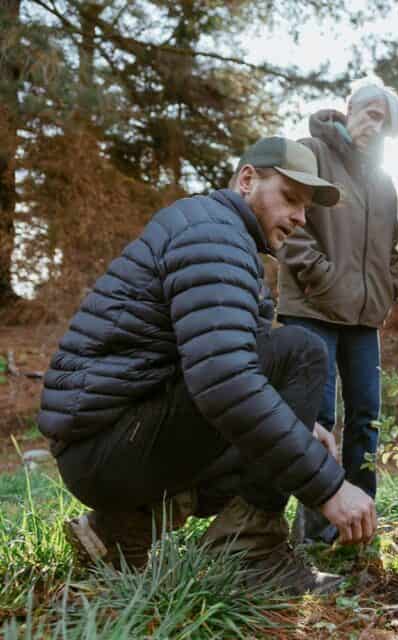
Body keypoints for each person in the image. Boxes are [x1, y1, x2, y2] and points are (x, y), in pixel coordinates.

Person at [37, 137, 377, 595]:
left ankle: (121, 531)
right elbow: (224, 381)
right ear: (247, 179)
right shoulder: (215, 236)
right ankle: (251, 554)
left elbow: (224, 362)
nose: (300, 217)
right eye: (291, 198)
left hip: (106, 444)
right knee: (302, 350)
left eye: (306, 207)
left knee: (276, 399)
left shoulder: (216, 231)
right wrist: (328, 487)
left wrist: (300, 428)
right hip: (107, 446)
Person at [277, 83, 398, 543]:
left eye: (384, 122)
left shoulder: (384, 180)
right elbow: (288, 224)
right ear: (348, 110)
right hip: (312, 311)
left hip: (364, 320)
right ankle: (316, 530)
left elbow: (391, 247)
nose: (375, 126)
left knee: (367, 416)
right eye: (370, 113)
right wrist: (325, 278)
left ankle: (360, 523)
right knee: (316, 420)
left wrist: (390, 288)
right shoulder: (312, 153)